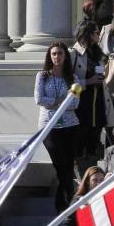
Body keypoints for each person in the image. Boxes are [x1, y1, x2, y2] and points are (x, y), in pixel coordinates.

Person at [35, 42, 80, 212]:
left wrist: (53, 102)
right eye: (53, 54)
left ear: (65, 56)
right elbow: (39, 99)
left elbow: (75, 103)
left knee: (68, 165)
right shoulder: (42, 76)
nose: (56, 57)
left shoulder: (73, 78)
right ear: (49, 56)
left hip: (70, 126)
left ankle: (64, 206)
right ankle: (69, 200)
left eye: (60, 53)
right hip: (49, 127)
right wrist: (61, 100)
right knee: (59, 165)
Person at [70, 22, 108, 173]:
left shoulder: (98, 52)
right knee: (79, 142)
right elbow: (68, 81)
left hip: (97, 103)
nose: (98, 36)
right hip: (81, 104)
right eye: (95, 33)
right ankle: (80, 179)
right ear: (86, 34)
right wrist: (88, 82)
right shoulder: (73, 53)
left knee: (94, 141)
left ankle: (93, 179)